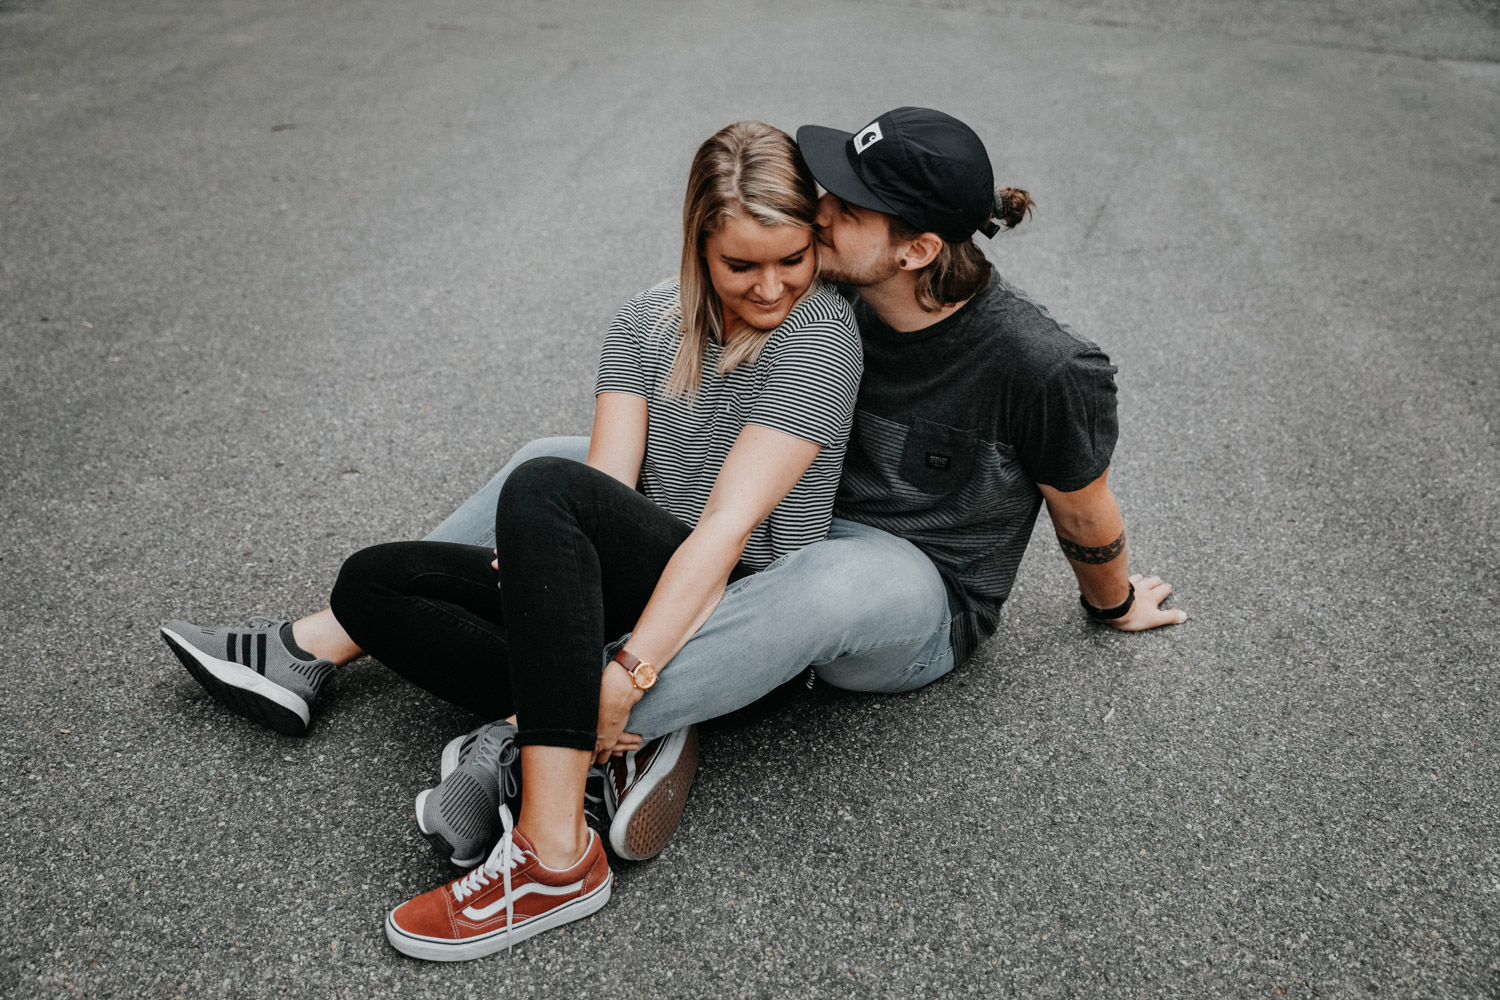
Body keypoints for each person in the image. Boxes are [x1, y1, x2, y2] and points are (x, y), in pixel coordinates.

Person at [165, 105, 1187, 954]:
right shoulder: (828, 281)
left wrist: (1112, 603)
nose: (818, 212)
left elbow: (1083, 508)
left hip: (907, 589)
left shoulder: (1039, 363)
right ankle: (320, 648)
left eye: (843, 207)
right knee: (549, 459)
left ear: (918, 249)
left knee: (828, 580)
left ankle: (543, 751)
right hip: (777, 520)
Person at [162, 120, 863, 958]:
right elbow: (608, 493)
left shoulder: (821, 332)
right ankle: (602, 742)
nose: (772, 287)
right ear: (697, 248)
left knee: (543, 484)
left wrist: (628, 674)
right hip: (636, 598)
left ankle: (553, 851)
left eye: (792, 259)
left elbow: (724, 530)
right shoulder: (644, 323)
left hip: (736, 620)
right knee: (371, 583)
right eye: (741, 265)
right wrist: (543, 584)